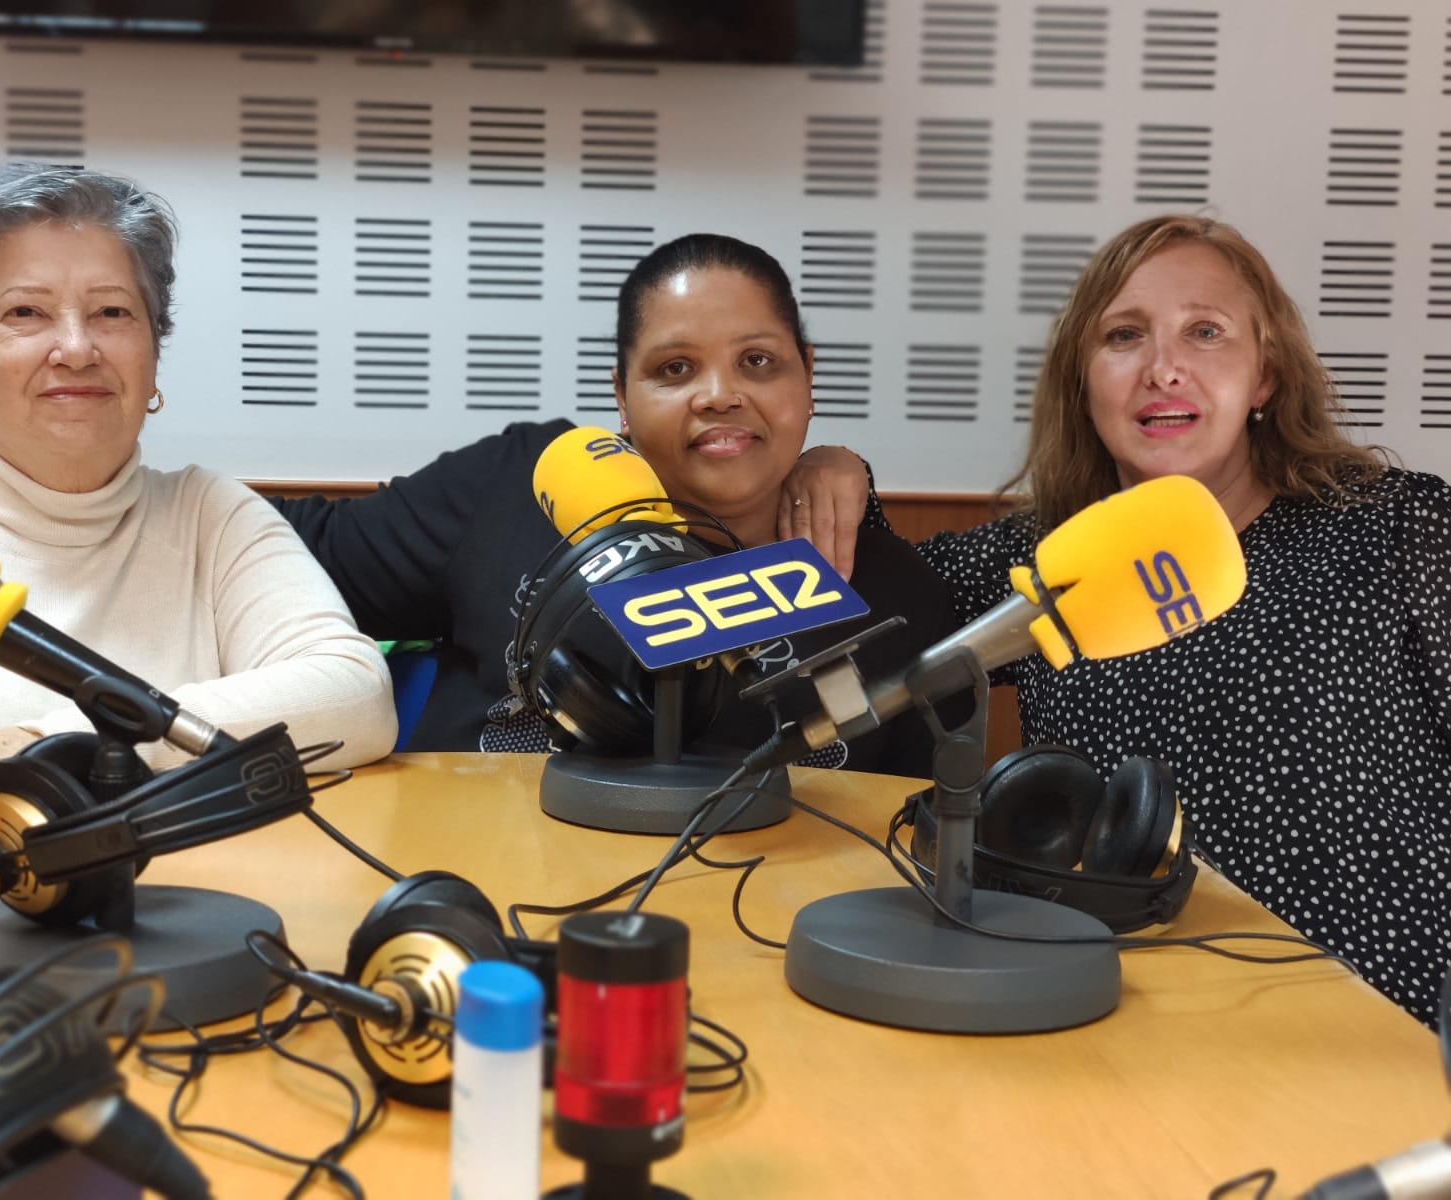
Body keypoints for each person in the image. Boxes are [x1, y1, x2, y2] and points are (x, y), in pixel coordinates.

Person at [915, 213, 1451, 1026]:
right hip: (1126, 1031)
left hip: (1386, 1030)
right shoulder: (1042, 563)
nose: (1163, 370)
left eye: (1206, 332)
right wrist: (830, 466)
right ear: (1083, 380)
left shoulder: (1399, 529)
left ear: (1264, 376)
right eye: (1124, 336)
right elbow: (869, 603)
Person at [276, 233, 959, 775]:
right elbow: (285, 558)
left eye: (758, 362)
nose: (719, 394)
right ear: (622, 399)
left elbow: (909, 841)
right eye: (674, 369)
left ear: (808, 377)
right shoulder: (519, 482)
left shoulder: (895, 593)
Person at [0, 163, 396, 822]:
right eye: (26, 311)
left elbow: (357, 699)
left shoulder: (211, 519)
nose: (77, 348)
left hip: (152, 906)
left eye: (112, 312)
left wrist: (47, 747)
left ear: (152, 353)